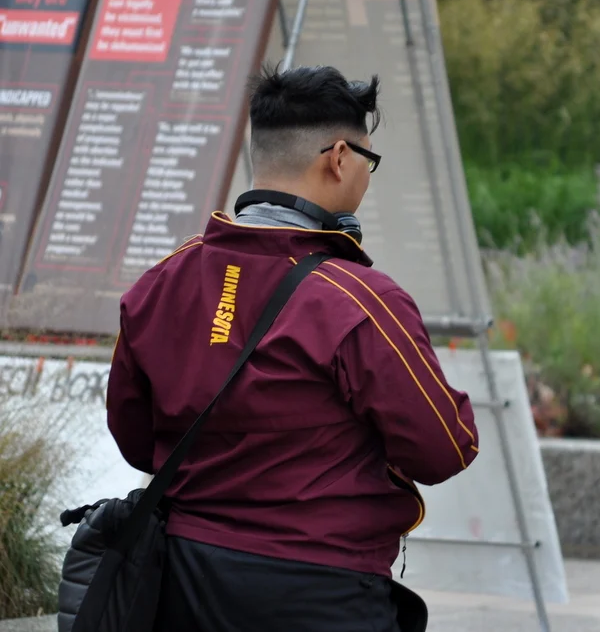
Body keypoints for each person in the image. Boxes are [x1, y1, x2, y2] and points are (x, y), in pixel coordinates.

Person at [105, 64, 480, 631]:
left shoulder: (161, 281)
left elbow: (135, 439)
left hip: (178, 581)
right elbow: (444, 447)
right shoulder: (358, 300)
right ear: (338, 158)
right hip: (319, 590)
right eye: (367, 161)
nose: (366, 177)